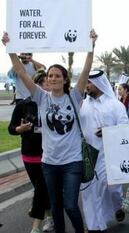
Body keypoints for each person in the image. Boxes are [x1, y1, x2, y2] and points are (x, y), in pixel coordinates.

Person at [2, 30, 97, 233]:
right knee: (55, 207)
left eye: (57, 76)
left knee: (70, 205)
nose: (52, 78)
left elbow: (86, 71)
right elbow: (21, 72)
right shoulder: (41, 97)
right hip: (50, 163)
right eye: (50, 75)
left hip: (73, 161)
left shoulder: (75, 96)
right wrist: (10, 49)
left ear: (64, 79)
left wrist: (91, 47)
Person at [79, 70, 128, 232]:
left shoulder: (115, 105)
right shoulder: (82, 104)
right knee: (90, 193)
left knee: (112, 189)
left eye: (89, 83)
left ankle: (117, 206)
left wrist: (109, 130)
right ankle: (95, 227)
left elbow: (125, 129)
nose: (86, 86)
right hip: (88, 157)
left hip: (110, 156)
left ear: (99, 83)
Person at [8, 70, 54, 233]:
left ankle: (37, 226)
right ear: (38, 86)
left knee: (41, 188)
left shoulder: (54, 104)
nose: (50, 85)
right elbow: (11, 129)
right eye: (46, 83)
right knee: (41, 188)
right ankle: (50, 216)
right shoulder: (24, 105)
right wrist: (20, 128)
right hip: (29, 154)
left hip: (48, 155)